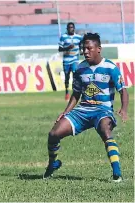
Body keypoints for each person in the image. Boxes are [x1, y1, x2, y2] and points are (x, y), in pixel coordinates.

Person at [44, 33, 128, 182]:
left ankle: (117, 172)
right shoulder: (80, 69)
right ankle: (53, 164)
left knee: (105, 130)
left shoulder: (110, 67)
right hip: (82, 110)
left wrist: (124, 108)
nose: (85, 52)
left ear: (98, 49)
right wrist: (65, 112)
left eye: (89, 48)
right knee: (53, 134)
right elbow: (76, 94)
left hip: (103, 110)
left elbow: (123, 90)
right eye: (83, 49)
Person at [58, 22, 82, 101]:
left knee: (75, 75)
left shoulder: (78, 37)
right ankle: (67, 92)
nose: (70, 29)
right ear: (67, 29)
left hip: (74, 60)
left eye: (72, 27)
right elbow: (60, 49)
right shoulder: (63, 37)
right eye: (69, 28)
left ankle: (76, 92)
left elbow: (82, 45)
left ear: (74, 28)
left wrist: (81, 50)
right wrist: (68, 47)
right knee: (67, 77)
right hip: (66, 61)